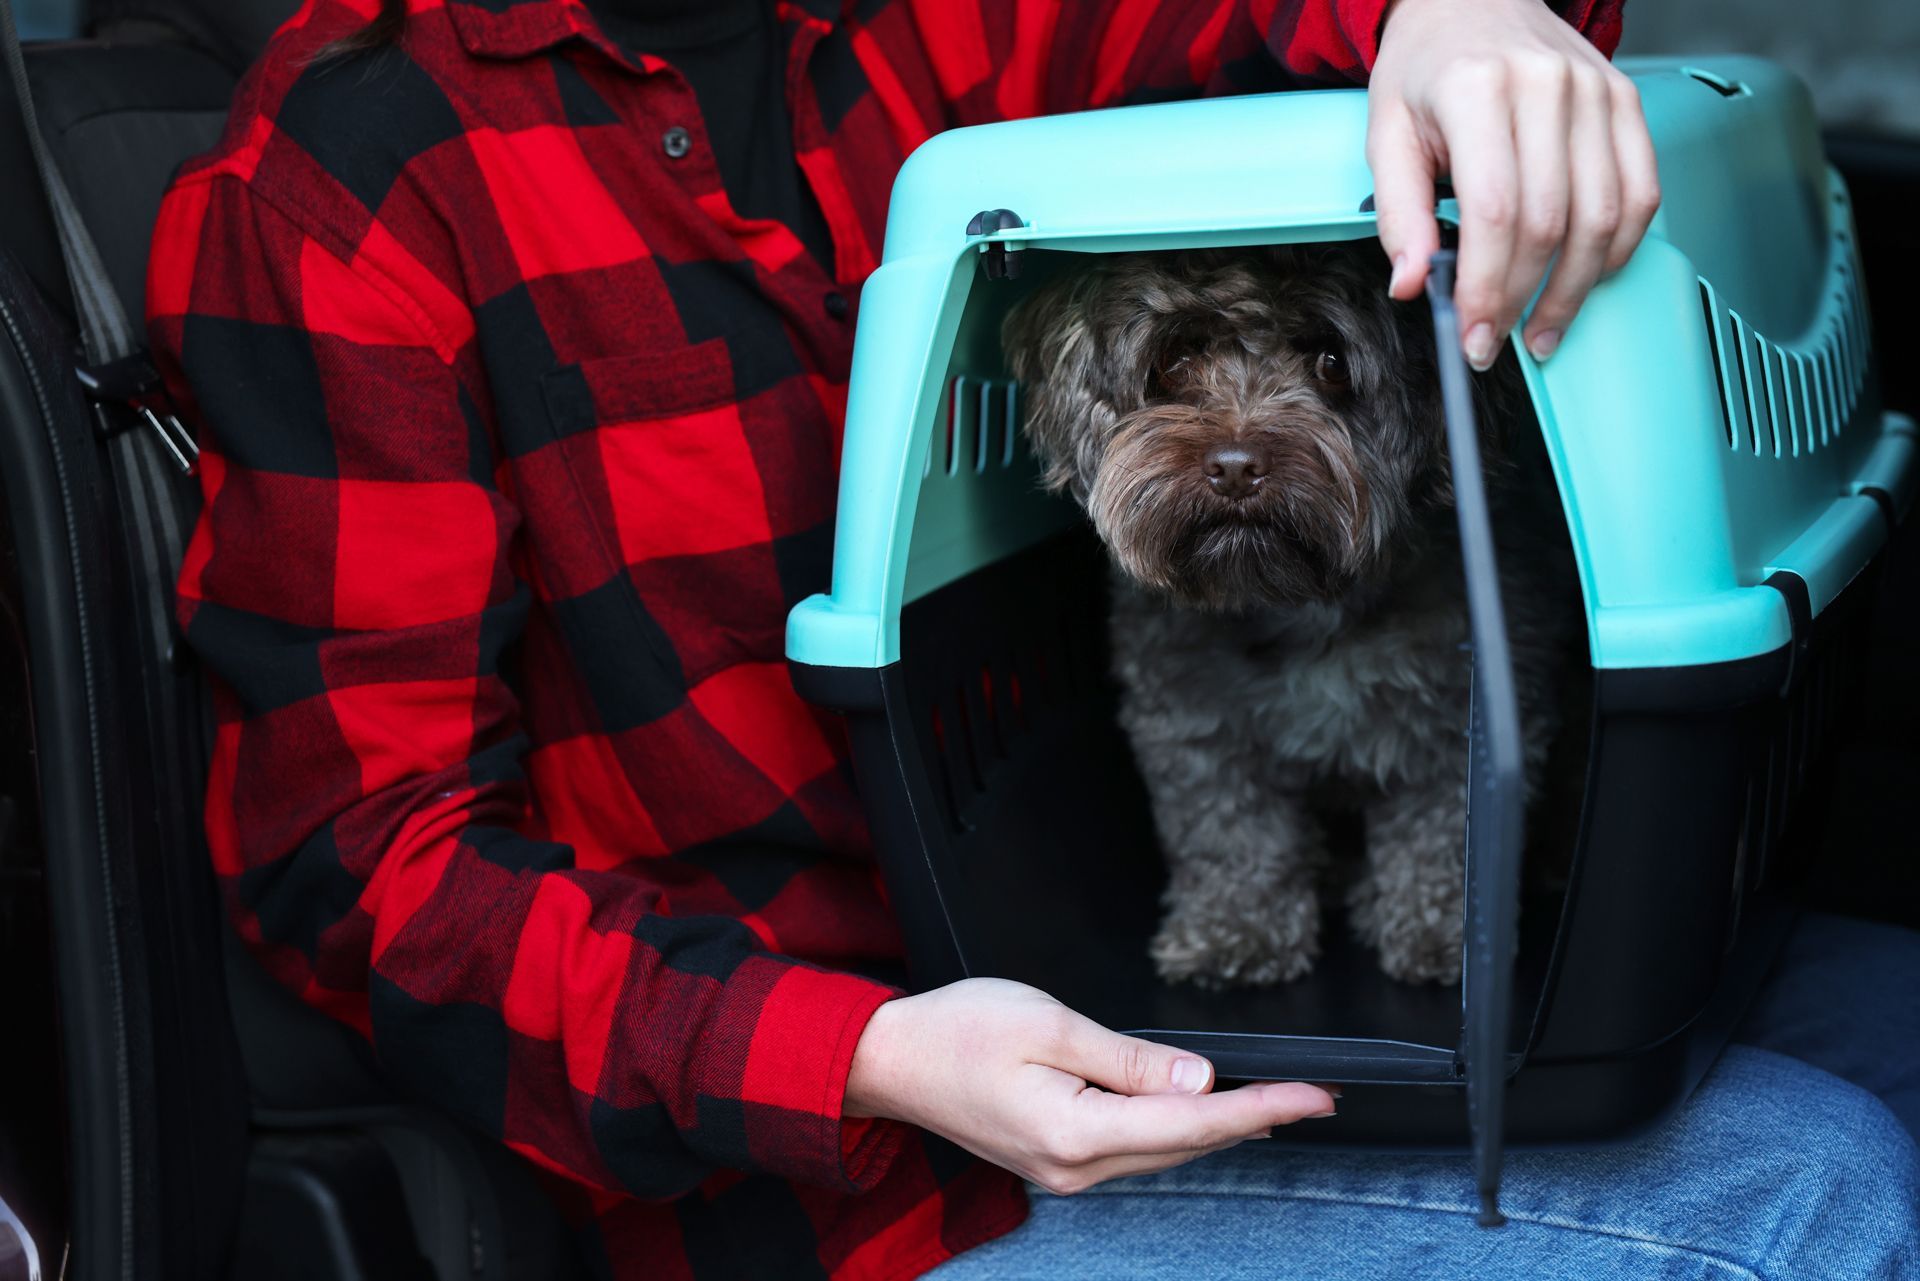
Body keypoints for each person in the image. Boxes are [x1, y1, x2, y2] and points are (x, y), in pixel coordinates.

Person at [146, 0, 1920, 1277]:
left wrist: (1446, 17)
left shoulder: (930, 32)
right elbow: (359, 863)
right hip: (857, 1181)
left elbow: (1259, 18)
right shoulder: (346, 180)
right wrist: (860, 1056)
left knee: (1889, 1008)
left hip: (1095, 952)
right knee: (1815, 1187)